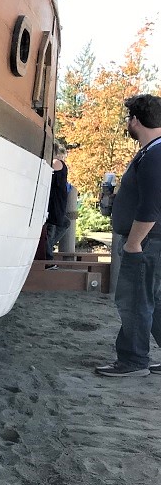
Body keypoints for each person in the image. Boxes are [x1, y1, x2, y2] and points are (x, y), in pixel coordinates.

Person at [95, 93, 161, 377]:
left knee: (134, 300)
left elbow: (152, 204)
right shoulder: (152, 152)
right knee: (154, 300)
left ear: (136, 120)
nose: (127, 124)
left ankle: (133, 360)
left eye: (128, 119)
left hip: (147, 242)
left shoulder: (155, 154)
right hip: (152, 241)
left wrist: (134, 242)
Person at [46, 142, 70, 261]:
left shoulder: (55, 163)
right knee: (62, 223)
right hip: (57, 202)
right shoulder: (60, 164)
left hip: (54, 203)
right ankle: (48, 249)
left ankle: (48, 255)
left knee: (51, 228)